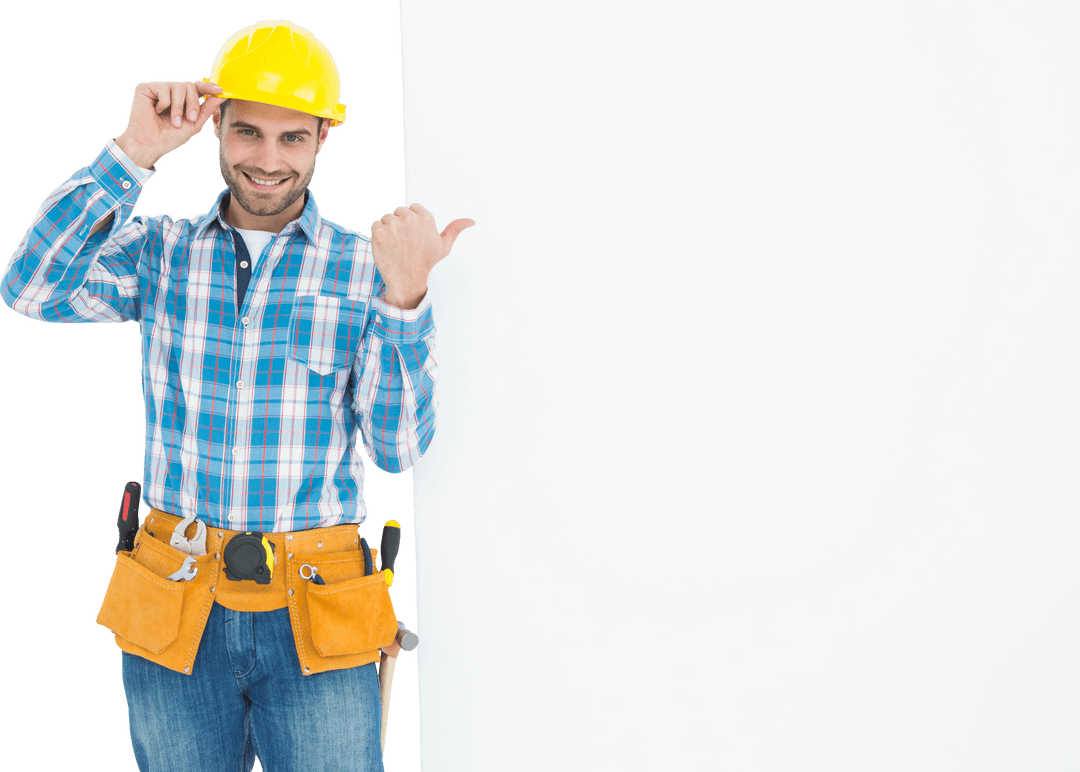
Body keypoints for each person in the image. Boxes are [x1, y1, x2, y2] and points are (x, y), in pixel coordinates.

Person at [0, 19, 471, 772]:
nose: (266, 160)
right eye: (248, 131)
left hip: (319, 607)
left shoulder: (365, 268)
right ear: (216, 124)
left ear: (323, 138)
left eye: (292, 139)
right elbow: (28, 286)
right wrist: (132, 155)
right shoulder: (160, 251)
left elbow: (397, 448)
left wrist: (406, 298)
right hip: (174, 595)